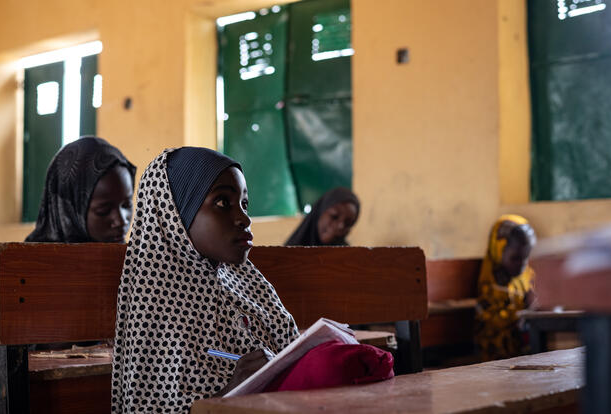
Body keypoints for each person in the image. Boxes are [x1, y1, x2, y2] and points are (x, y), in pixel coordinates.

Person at [111, 147, 299, 413]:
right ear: (175, 213)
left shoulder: (251, 285)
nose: (244, 218)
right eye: (223, 203)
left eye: (245, 204)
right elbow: (147, 408)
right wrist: (234, 389)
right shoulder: (156, 299)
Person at [25, 136, 136, 243]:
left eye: (127, 205)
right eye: (104, 210)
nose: (121, 221)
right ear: (70, 210)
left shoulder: (129, 258)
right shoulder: (30, 260)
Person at [475, 214, 537, 361]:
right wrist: (524, 313)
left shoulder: (527, 277)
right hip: (495, 361)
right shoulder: (491, 285)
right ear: (498, 252)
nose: (522, 264)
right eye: (515, 258)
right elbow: (492, 324)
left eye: (526, 257)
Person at [285, 187, 360, 246]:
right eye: (334, 217)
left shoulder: (349, 259)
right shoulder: (288, 256)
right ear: (319, 212)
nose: (340, 226)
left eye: (348, 223)